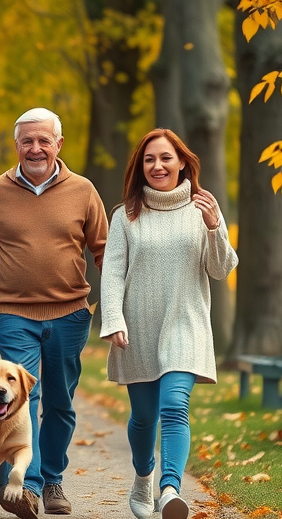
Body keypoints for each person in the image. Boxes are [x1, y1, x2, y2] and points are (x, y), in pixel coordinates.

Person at [0, 108, 108, 518]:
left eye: (43, 140)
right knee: (19, 396)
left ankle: (52, 480)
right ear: (16, 145)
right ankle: (24, 486)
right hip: (14, 313)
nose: (35, 148)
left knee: (61, 403)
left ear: (58, 144)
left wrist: (121, 308)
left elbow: (105, 252)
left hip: (70, 314)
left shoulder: (84, 190)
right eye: (27, 141)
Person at [99, 129, 237, 519]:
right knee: (143, 417)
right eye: (149, 159)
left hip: (185, 323)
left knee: (175, 405)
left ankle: (169, 489)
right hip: (137, 328)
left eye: (165, 158)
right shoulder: (125, 214)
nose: (157, 166)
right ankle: (143, 478)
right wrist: (113, 318)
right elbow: (111, 273)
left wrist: (214, 227)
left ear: (181, 162)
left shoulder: (203, 208)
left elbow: (221, 268)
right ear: (140, 167)